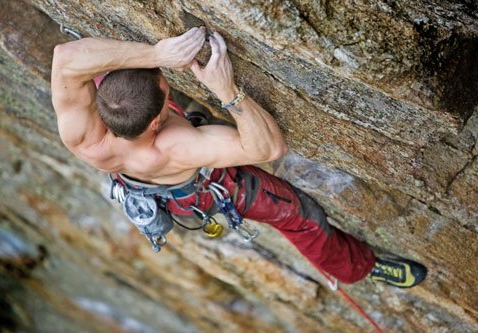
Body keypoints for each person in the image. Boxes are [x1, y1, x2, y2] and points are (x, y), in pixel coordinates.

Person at [51, 27, 426, 287]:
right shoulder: (176, 146)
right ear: (155, 122)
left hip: (139, 177)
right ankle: (358, 268)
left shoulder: (83, 134)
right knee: (300, 217)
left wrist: (155, 54)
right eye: (165, 86)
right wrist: (226, 90)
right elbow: (267, 149)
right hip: (205, 185)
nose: (164, 76)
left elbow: (65, 57)